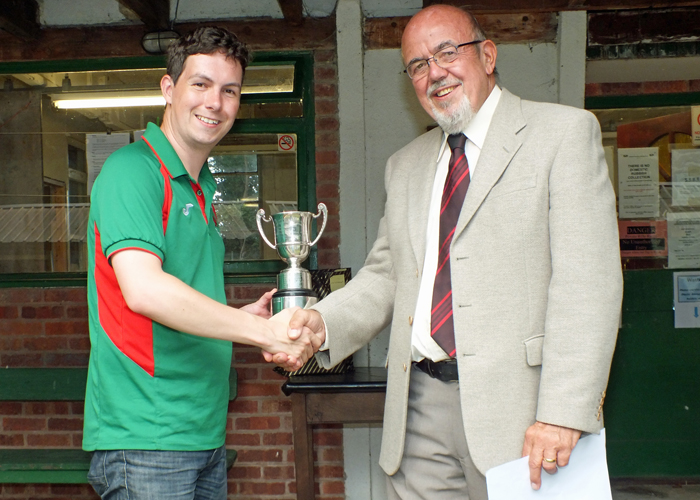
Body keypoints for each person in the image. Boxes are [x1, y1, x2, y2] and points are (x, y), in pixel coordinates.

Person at [281, 5, 623, 499]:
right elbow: (387, 274)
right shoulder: (406, 166)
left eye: (446, 53)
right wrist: (323, 323)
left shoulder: (562, 135)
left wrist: (563, 412)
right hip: (418, 410)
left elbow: (587, 285)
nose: (434, 73)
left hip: (524, 411)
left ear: (487, 55)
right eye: (418, 65)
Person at [83, 27, 317, 500]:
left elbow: (181, 294)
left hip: (201, 432)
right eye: (201, 84)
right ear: (168, 89)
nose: (216, 101)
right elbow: (145, 290)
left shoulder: (201, 187)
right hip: (147, 437)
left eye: (229, 90)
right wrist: (259, 332)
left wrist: (244, 318)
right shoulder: (133, 171)